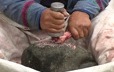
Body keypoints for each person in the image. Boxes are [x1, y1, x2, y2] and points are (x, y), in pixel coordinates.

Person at [0, 0, 110, 63]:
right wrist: (38, 15)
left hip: (78, 24)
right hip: (20, 25)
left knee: (108, 26)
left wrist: (84, 11)